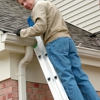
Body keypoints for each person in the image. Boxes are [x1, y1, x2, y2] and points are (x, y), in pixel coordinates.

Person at [15, 0, 100, 100]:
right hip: (68, 41)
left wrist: (22, 32)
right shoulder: (49, 4)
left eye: (25, 0)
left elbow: (40, 27)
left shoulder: (38, 6)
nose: (25, 5)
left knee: (67, 78)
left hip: (55, 43)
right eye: (22, 4)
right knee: (80, 77)